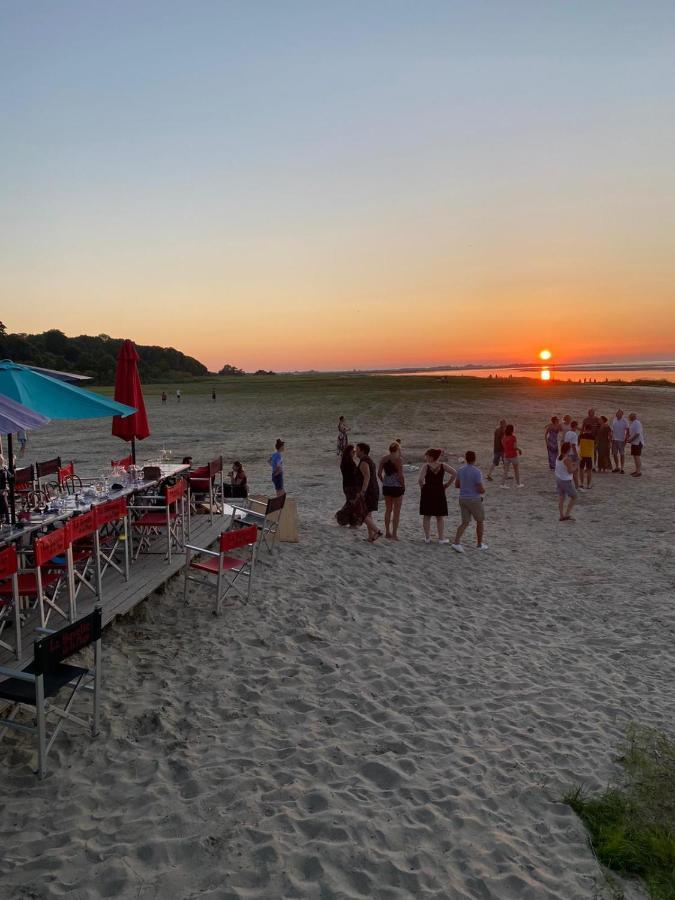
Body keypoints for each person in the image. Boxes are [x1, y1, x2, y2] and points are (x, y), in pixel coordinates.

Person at [452, 451, 487, 552]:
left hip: (462, 498)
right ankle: (479, 544)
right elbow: (480, 489)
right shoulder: (477, 471)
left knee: (465, 522)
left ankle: (456, 542)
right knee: (480, 521)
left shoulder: (461, 470)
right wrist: (483, 490)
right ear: (474, 459)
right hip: (474, 499)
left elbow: (457, 485)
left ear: (466, 458)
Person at [418, 449, 456, 543]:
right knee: (439, 516)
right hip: (439, 490)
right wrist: (447, 484)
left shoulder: (426, 467)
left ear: (431, 457)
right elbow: (455, 473)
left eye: (426, 456)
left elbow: (420, 480)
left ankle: (427, 538)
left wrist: (422, 488)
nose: (425, 457)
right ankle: (441, 538)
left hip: (428, 491)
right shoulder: (443, 466)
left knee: (427, 515)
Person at [378, 442, 405, 541]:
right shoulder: (399, 460)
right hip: (397, 487)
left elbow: (379, 473)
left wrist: (384, 481)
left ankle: (387, 533)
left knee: (388, 510)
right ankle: (394, 534)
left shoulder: (384, 459)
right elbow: (400, 475)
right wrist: (403, 485)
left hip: (387, 487)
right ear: (397, 449)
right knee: (396, 512)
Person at [355, 442, 381, 542]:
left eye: (357, 450)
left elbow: (367, 477)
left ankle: (377, 531)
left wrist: (362, 492)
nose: (355, 452)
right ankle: (371, 537)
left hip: (368, 491)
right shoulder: (369, 460)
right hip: (373, 489)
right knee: (368, 514)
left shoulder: (364, 462)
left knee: (362, 513)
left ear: (362, 451)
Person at [555, 441, 578, 521]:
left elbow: (564, 467)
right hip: (565, 480)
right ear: (568, 450)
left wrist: (573, 465)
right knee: (574, 497)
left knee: (561, 498)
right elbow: (570, 471)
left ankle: (561, 515)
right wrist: (576, 466)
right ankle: (567, 514)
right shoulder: (567, 459)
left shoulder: (558, 457)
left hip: (558, 479)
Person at [611, 409, 629, 473]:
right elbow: (612, 430)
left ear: (622, 414)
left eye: (619, 413)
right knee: (614, 454)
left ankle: (622, 468)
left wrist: (626, 439)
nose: (617, 414)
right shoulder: (614, 419)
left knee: (622, 454)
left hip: (621, 440)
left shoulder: (625, 421)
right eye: (617, 413)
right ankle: (617, 467)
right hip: (614, 439)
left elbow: (627, 431)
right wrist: (611, 438)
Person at [578, 425, 595, 490]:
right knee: (589, 470)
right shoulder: (593, 437)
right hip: (589, 455)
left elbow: (578, 444)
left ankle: (581, 483)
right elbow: (595, 445)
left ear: (585, 429)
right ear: (590, 430)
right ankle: (588, 485)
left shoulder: (581, 436)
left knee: (581, 469)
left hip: (582, 454)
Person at [564, 420, 580, 487]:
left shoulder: (567, 433)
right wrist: (577, 455)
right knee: (575, 471)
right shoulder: (574, 434)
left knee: (569, 471)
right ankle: (577, 486)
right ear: (575, 426)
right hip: (573, 454)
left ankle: (569, 485)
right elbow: (573, 445)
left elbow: (566, 443)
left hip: (568, 453)